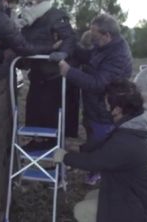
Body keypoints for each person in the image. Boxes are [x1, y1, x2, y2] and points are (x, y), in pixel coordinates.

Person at [53, 79, 147, 222]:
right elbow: (106, 143)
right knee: (92, 196)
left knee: (82, 210)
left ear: (118, 108)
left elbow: (94, 162)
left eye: (108, 102)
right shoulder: (139, 123)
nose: (105, 105)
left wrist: (66, 157)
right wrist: (79, 148)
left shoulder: (127, 142)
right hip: (145, 197)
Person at [56, 13, 133, 184]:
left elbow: (98, 83)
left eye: (95, 35)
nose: (92, 37)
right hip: (94, 107)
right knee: (92, 137)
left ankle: (103, 176)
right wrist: (69, 46)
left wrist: (69, 71)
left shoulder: (118, 55)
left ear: (107, 35)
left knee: (100, 142)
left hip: (106, 110)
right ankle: (94, 171)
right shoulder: (105, 46)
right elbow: (89, 57)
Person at [14, 0, 79, 149]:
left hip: (54, 75)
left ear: (42, 2)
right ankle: (37, 140)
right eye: (26, 2)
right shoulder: (27, 20)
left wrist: (63, 51)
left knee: (51, 110)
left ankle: (53, 145)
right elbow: (24, 44)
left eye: (31, 2)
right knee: (34, 109)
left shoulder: (57, 16)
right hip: (37, 72)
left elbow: (69, 38)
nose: (27, 6)